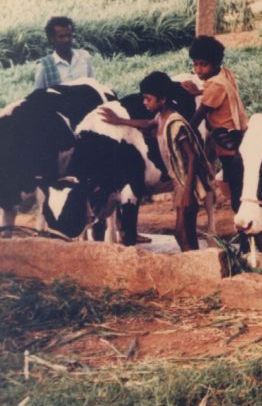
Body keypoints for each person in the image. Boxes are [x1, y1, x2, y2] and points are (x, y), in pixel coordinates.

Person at [101, 72, 213, 251]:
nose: (144, 103)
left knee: (184, 232)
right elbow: (147, 124)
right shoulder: (161, 117)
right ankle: (192, 261)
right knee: (181, 232)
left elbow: (192, 157)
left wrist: (187, 192)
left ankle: (194, 263)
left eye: (147, 99)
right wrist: (119, 120)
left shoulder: (175, 123)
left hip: (187, 182)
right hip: (179, 181)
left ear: (162, 99)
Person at [180, 36, 249, 217]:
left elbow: (199, 116)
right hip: (240, 138)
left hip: (228, 145)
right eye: (195, 64)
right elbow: (219, 89)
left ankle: (248, 235)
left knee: (237, 195)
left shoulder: (214, 87)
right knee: (236, 185)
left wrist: (181, 132)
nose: (197, 70)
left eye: (203, 64)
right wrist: (198, 91)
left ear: (215, 63)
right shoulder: (225, 74)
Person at [34, 15, 94, 90]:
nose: (67, 40)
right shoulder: (44, 66)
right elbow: (38, 97)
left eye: (69, 35)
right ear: (51, 39)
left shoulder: (84, 57)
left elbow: (93, 86)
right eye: (61, 36)